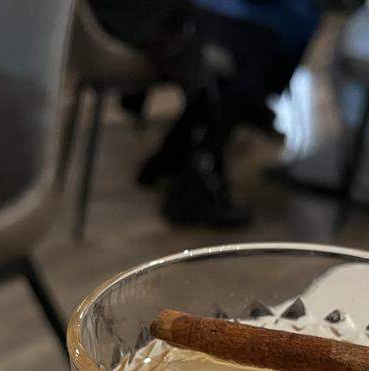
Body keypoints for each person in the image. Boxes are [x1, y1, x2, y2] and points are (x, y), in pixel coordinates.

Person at [137, 0, 323, 227]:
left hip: (222, 22)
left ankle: (177, 156)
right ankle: (194, 174)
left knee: (240, 70)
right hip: (221, 24)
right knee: (247, 66)